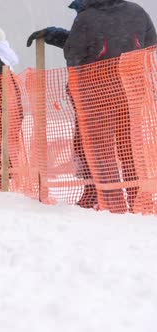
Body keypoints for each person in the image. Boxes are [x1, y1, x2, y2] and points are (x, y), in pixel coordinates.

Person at [62, 0, 156, 212]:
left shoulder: (86, 16)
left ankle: (107, 199)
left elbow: (73, 54)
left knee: (98, 149)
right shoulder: (137, 11)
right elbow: (151, 44)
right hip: (132, 90)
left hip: (96, 93)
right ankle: (136, 198)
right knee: (130, 148)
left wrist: (79, 81)